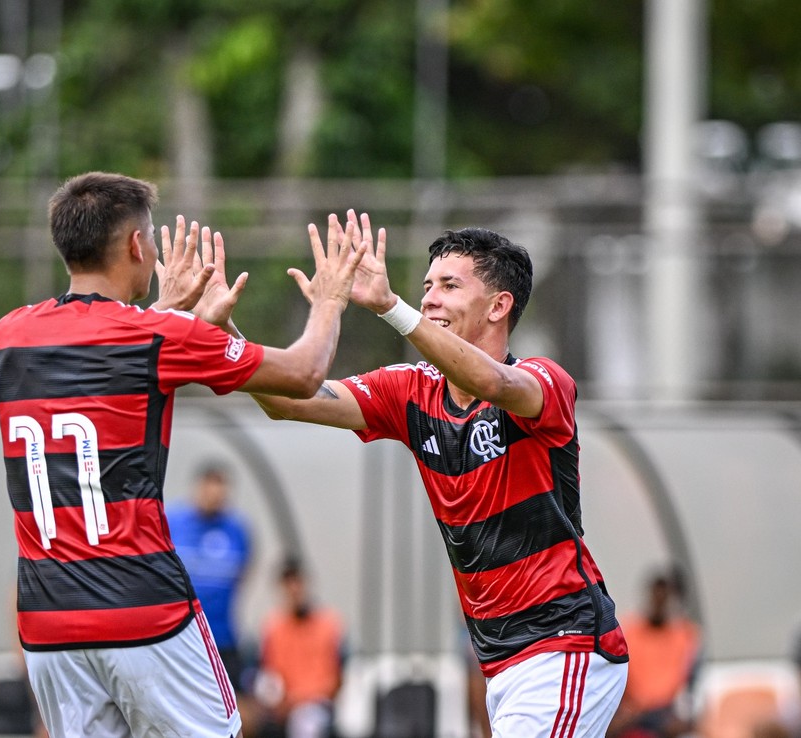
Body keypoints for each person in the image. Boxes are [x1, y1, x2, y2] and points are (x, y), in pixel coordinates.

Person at [0, 171, 365, 738]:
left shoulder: (11, 333)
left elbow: (101, 356)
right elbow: (305, 372)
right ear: (137, 247)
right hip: (143, 610)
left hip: (49, 623)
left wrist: (168, 314)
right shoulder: (156, 337)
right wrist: (332, 298)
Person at [251, 213, 629, 738]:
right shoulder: (409, 391)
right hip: (499, 658)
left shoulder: (544, 383)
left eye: (450, 286)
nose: (429, 298)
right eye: (426, 286)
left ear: (499, 306)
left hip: (565, 642)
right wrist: (221, 335)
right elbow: (287, 401)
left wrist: (389, 306)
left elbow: (491, 379)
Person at [166, 463, 253, 690]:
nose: (214, 497)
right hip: (180, 637)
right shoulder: (173, 522)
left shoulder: (237, 530)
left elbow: (243, 575)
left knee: (233, 711)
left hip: (222, 638)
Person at [254, 556, 344, 738]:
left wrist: (297, 700)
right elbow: (269, 676)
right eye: (288, 582)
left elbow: (333, 680)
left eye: (297, 581)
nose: (294, 588)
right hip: (282, 708)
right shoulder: (273, 627)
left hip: (316, 705)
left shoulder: (328, 624)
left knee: (306, 723)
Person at [608, 568, 701, 738]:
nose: (660, 602)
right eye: (656, 596)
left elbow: (691, 686)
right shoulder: (629, 631)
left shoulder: (685, 635)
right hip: (633, 712)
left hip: (667, 713)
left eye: (666, 597)